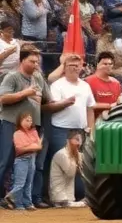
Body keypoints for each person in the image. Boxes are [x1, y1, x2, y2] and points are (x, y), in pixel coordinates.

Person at [0, 46, 49, 208]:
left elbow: (47, 99)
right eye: (32, 61)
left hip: (32, 126)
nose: (35, 64)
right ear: (22, 60)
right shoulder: (12, 76)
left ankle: (23, 199)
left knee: (29, 165)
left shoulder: (38, 78)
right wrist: (25, 93)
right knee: (5, 161)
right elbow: (3, 98)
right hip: (11, 123)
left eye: (37, 61)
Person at [47, 53, 96, 201]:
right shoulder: (57, 85)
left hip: (80, 130)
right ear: (65, 67)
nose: (74, 68)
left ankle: (77, 196)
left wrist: (90, 128)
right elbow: (52, 105)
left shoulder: (85, 85)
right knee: (62, 165)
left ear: (82, 67)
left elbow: (90, 108)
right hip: (61, 129)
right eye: (71, 65)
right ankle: (57, 197)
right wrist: (65, 103)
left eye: (77, 65)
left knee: (80, 165)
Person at [3, 111, 41, 211]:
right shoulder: (17, 133)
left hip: (31, 158)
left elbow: (39, 146)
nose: (29, 122)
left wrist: (29, 146)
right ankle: (15, 201)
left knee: (29, 183)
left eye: (30, 120)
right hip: (21, 159)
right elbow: (19, 148)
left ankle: (28, 203)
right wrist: (32, 146)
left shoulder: (34, 132)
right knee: (20, 183)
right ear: (20, 121)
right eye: (26, 120)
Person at [47, 128, 86, 208]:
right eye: (77, 139)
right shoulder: (62, 154)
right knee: (85, 203)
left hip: (69, 196)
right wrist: (77, 162)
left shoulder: (77, 154)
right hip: (59, 197)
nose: (79, 143)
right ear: (68, 140)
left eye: (80, 140)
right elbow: (70, 173)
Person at [86, 51, 122, 118]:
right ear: (97, 64)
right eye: (105, 64)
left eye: (110, 64)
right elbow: (87, 104)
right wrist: (109, 106)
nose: (108, 66)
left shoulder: (116, 83)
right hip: (94, 122)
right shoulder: (88, 82)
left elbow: (118, 102)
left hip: (112, 122)